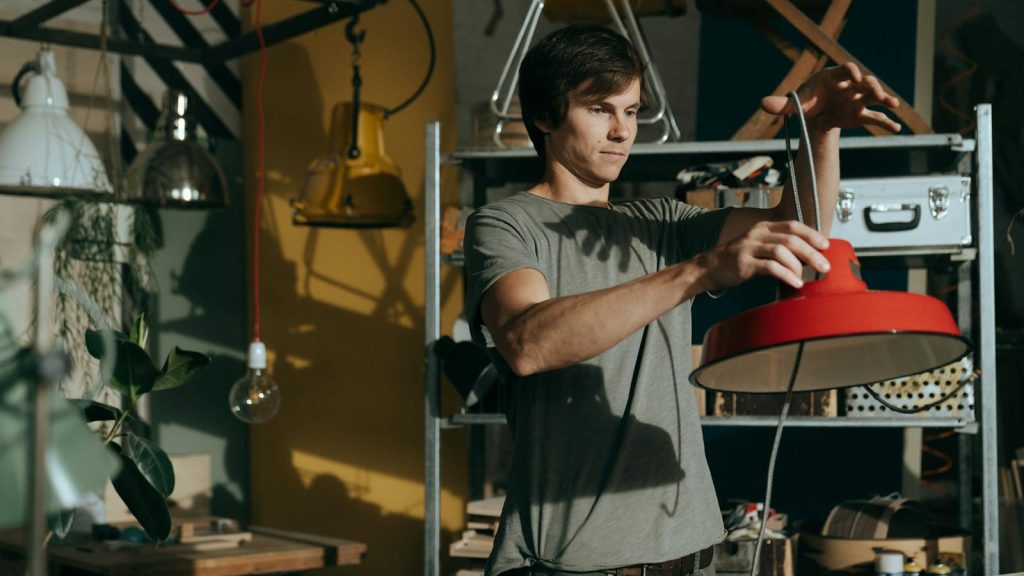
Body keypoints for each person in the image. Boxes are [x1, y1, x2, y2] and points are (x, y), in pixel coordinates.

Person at [464, 24, 900, 576]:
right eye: (601, 109)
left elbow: (800, 227)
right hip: (573, 562)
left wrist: (820, 129)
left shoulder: (661, 223)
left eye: (632, 111)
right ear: (546, 116)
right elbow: (529, 342)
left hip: (688, 553)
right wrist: (699, 270)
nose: (623, 131)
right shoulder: (505, 223)